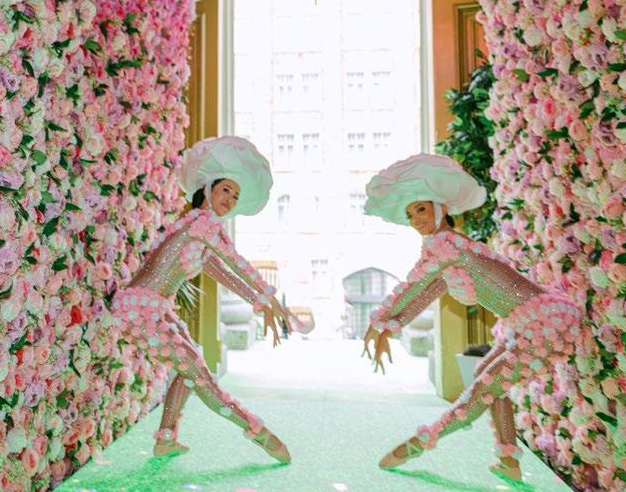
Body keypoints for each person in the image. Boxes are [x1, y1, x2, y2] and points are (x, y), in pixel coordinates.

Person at [362, 153, 581, 482]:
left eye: (420, 209)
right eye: (410, 214)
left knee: (482, 390)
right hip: (527, 321)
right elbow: (425, 293)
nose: (415, 219)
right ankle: (508, 458)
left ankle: (419, 443)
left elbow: (413, 286)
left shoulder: (446, 245)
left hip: (545, 323)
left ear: (440, 208)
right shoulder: (447, 250)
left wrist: (379, 323)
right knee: (487, 379)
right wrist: (388, 328)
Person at [112, 136, 308, 462]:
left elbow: (226, 274)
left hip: (152, 308)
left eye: (236, 196)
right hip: (139, 310)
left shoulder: (197, 230)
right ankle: (259, 433)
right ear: (207, 189)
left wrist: (262, 303)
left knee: (192, 367)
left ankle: (166, 438)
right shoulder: (204, 224)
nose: (230, 199)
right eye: (226, 190)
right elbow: (236, 261)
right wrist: (269, 299)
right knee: (201, 378)